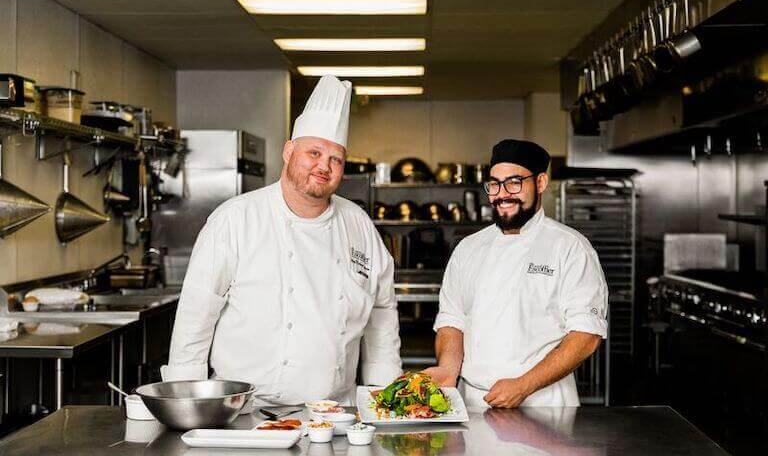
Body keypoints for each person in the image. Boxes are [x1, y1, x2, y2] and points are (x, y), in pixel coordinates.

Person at [162, 75, 402, 406]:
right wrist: (185, 402)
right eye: (314, 152)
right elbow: (196, 314)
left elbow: (381, 312)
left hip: (332, 413)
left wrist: (384, 396)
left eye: (335, 159)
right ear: (289, 151)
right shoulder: (236, 219)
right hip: (244, 411)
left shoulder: (358, 225)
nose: (324, 166)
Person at [425, 139, 607, 408]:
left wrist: (524, 385)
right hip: (472, 401)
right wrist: (448, 368)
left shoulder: (570, 247)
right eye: (495, 184)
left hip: (542, 402)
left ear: (541, 183)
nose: (502, 194)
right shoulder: (469, 248)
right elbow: (453, 320)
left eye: (514, 183)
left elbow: (586, 335)